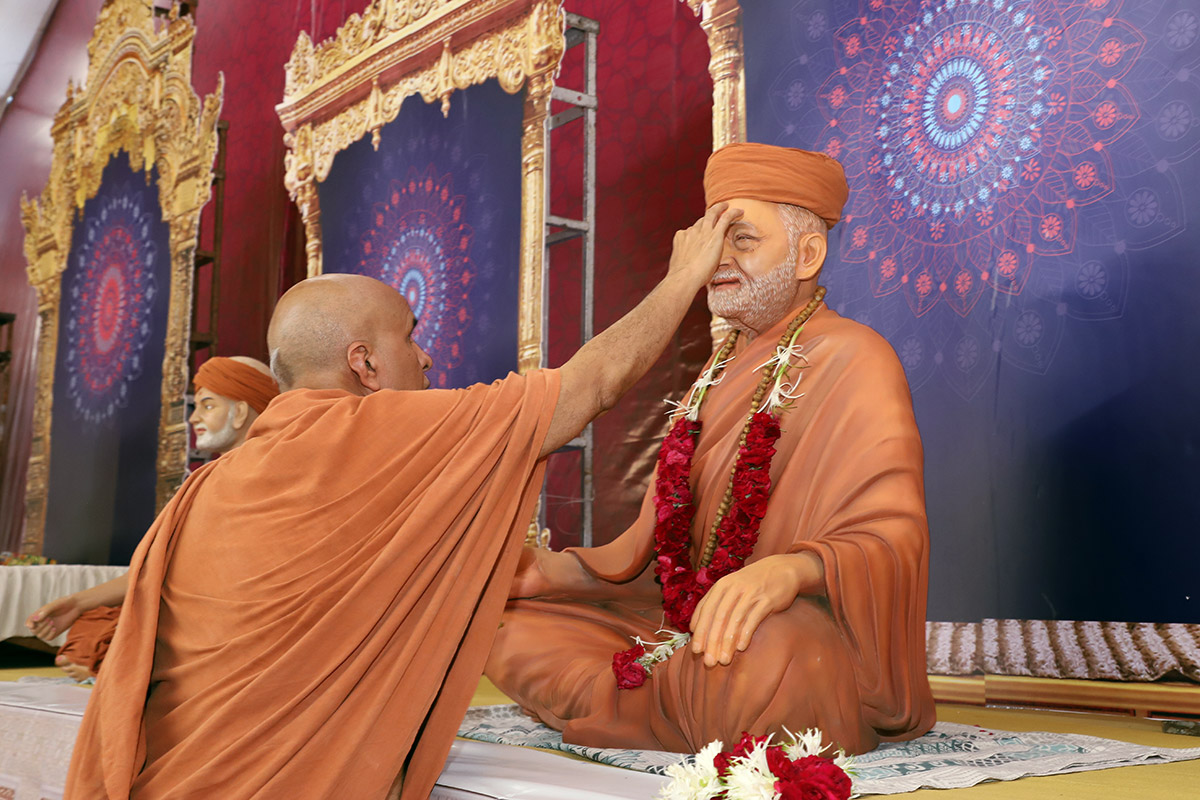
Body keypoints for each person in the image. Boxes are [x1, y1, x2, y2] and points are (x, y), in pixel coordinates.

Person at [61, 203, 742, 800]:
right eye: (410, 337)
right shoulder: (375, 431)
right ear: (364, 364)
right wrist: (684, 276)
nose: (425, 359)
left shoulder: (207, 487)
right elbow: (592, 385)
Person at [485, 142, 936, 756]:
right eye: (711, 242)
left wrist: (790, 571)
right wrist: (548, 572)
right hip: (685, 622)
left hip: (793, 623)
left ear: (807, 255)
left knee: (765, 650)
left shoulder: (855, 356)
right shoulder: (713, 375)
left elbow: (892, 536)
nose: (718, 261)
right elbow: (654, 559)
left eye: (742, 241)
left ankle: (660, 700)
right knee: (505, 624)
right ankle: (673, 699)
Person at [24, 357, 280, 680]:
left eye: (207, 405)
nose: (194, 418)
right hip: (197, 612)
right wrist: (76, 603)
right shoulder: (211, 477)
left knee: (108, 643)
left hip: (235, 620)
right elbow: (160, 566)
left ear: (241, 412)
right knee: (93, 630)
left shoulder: (261, 475)